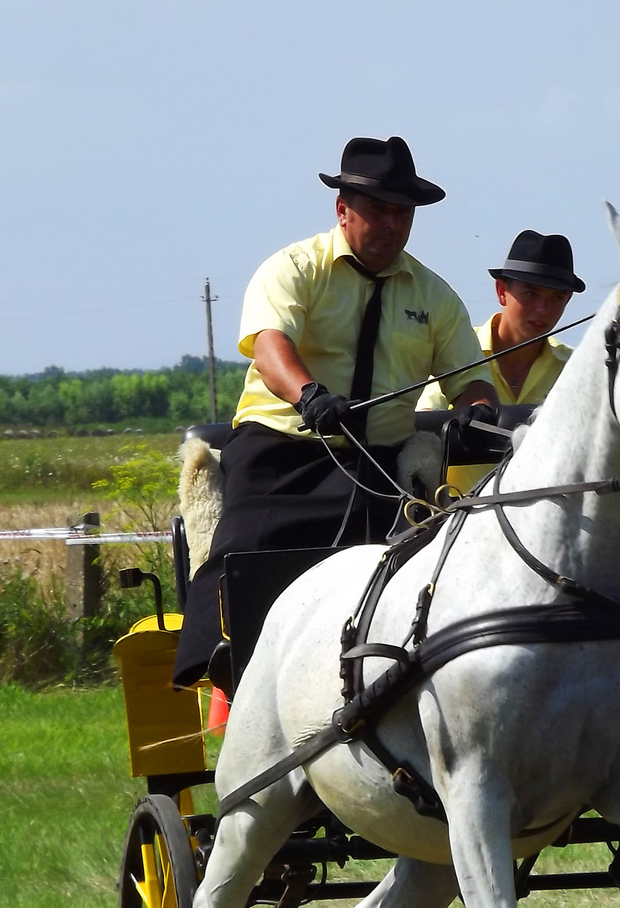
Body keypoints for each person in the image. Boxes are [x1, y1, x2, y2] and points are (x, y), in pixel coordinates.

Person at [173, 135, 482, 689]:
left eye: (402, 212)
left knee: (427, 571)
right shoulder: (293, 267)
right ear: (343, 209)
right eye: (378, 210)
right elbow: (271, 347)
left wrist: (474, 415)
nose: (392, 223)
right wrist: (309, 396)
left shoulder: (435, 297)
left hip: (380, 470)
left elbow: (473, 382)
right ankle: (226, 657)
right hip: (281, 456)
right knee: (244, 554)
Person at [418, 230, 584, 494]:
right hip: (450, 523)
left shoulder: (575, 370)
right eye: (531, 294)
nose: (543, 309)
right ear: (501, 291)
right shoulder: (455, 352)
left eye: (556, 298)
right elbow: (424, 429)